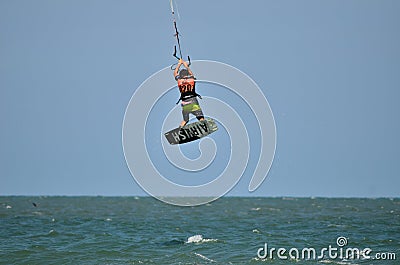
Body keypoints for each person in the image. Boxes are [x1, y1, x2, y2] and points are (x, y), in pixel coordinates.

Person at [174, 59, 204, 127]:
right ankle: (203, 124)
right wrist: (185, 65)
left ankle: (180, 129)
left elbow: (175, 73)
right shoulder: (191, 79)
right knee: (200, 117)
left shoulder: (179, 80)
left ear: (181, 75)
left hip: (184, 102)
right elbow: (190, 72)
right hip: (193, 101)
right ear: (187, 74)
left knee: (185, 120)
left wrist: (179, 64)